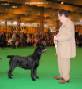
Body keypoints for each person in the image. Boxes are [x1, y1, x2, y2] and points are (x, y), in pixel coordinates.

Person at [54, 10, 76, 84]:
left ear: (63, 15)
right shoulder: (63, 24)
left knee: (65, 63)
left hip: (66, 47)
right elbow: (62, 34)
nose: (58, 18)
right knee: (60, 61)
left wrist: (58, 38)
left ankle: (66, 78)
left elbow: (68, 36)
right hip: (61, 47)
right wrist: (56, 37)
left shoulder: (69, 24)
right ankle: (62, 75)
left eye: (58, 16)